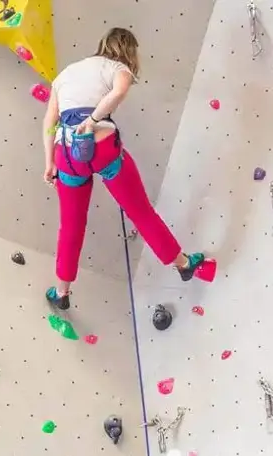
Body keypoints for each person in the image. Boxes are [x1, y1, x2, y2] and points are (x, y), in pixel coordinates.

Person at [41, 27, 212, 311]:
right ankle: (182, 264)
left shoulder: (65, 74)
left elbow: (49, 121)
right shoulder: (118, 67)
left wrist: (49, 161)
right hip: (103, 148)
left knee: (71, 226)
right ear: (128, 51)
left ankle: (62, 293)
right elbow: (119, 91)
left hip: (66, 156)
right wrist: (94, 119)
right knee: (140, 211)